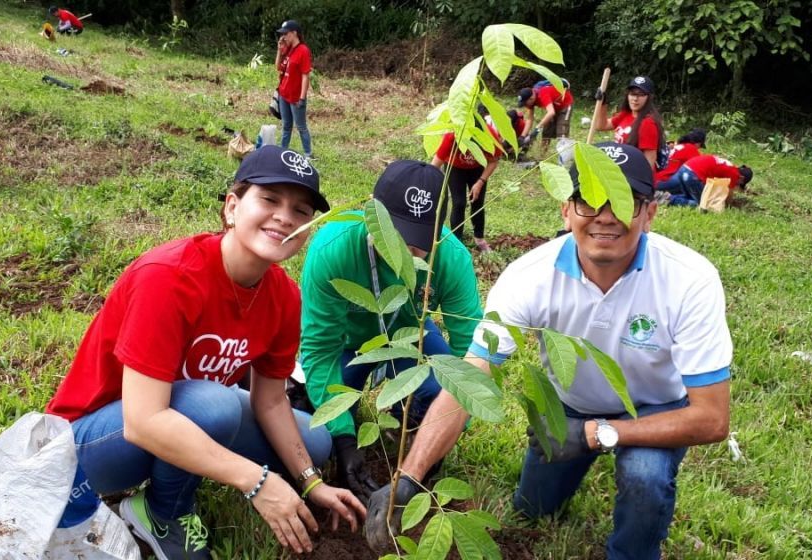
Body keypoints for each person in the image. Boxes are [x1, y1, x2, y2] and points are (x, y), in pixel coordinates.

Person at [365, 142, 732, 560]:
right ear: (566, 211)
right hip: (568, 409)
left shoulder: (690, 280)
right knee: (531, 509)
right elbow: (472, 376)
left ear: (649, 213)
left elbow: (711, 418)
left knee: (644, 476)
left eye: (624, 201)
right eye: (589, 201)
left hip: (654, 409)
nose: (605, 216)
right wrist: (410, 476)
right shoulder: (530, 276)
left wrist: (594, 434)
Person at [45, 146, 366, 559]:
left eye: (301, 210)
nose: (285, 217)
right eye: (269, 199)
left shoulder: (285, 297)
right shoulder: (168, 278)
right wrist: (256, 480)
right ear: (232, 207)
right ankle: (164, 513)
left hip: (183, 409)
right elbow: (142, 422)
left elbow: (271, 400)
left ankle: (177, 478)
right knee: (213, 404)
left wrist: (310, 481)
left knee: (315, 441)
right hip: (89, 445)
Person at [299, 160, 483, 501]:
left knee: (439, 393)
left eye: (419, 242)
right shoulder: (333, 247)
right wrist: (344, 439)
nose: (405, 254)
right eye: (395, 237)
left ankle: (407, 418)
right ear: (372, 211)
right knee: (319, 425)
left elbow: (472, 353)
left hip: (410, 337)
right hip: (346, 343)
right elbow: (320, 348)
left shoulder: (452, 258)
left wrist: (448, 427)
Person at [430, 108, 503, 252]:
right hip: (454, 167)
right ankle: (456, 242)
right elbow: (434, 166)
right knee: (459, 203)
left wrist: (480, 182)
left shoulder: (490, 135)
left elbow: (493, 161)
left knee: (477, 202)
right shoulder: (452, 135)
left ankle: (479, 238)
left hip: (477, 168)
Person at [594, 76, 666, 171]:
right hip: (619, 167)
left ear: (649, 97)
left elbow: (649, 161)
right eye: (632, 94)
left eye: (641, 95)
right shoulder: (626, 114)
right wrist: (602, 104)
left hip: (633, 173)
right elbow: (601, 126)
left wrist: (638, 179)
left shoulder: (648, 123)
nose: (635, 99)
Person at [275, 20, 314, 160]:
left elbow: (305, 75)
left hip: (296, 96)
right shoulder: (288, 49)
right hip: (284, 93)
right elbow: (278, 67)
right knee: (286, 126)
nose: (284, 37)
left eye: (286, 34)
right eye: (282, 34)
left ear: (294, 33)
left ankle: (308, 154)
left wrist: (302, 98)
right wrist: (279, 50)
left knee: (301, 126)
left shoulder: (303, 50)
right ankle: (282, 151)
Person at [656, 154, 752, 207]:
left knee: (688, 195)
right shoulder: (735, 174)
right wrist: (728, 206)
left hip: (686, 168)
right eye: (739, 184)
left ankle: (661, 195)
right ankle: (669, 199)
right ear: (742, 178)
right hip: (693, 175)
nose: (736, 185)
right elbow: (728, 195)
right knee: (703, 204)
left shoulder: (729, 166)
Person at [517, 78, 574, 154]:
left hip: (565, 105)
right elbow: (530, 119)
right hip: (552, 106)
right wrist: (522, 136)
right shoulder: (530, 99)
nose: (525, 105)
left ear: (531, 98)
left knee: (562, 133)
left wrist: (537, 129)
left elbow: (551, 112)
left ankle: (564, 155)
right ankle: (542, 155)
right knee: (546, 132)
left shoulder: (543, 93)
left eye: (525, 103)